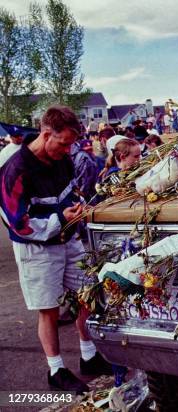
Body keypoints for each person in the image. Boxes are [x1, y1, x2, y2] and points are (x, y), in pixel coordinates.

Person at [0, 105, 112, 394]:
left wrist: (75, 207)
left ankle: (89, 355)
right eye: (64, 143)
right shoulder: (14, 170)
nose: (68, 149)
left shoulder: (63, 159)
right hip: (36, 250)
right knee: (48, 309)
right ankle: (56, 369)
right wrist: (60, 219)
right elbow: (18, 225)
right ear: (46, 133)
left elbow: (69, 192)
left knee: (85, 296)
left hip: (69, 239)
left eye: (71, 144)